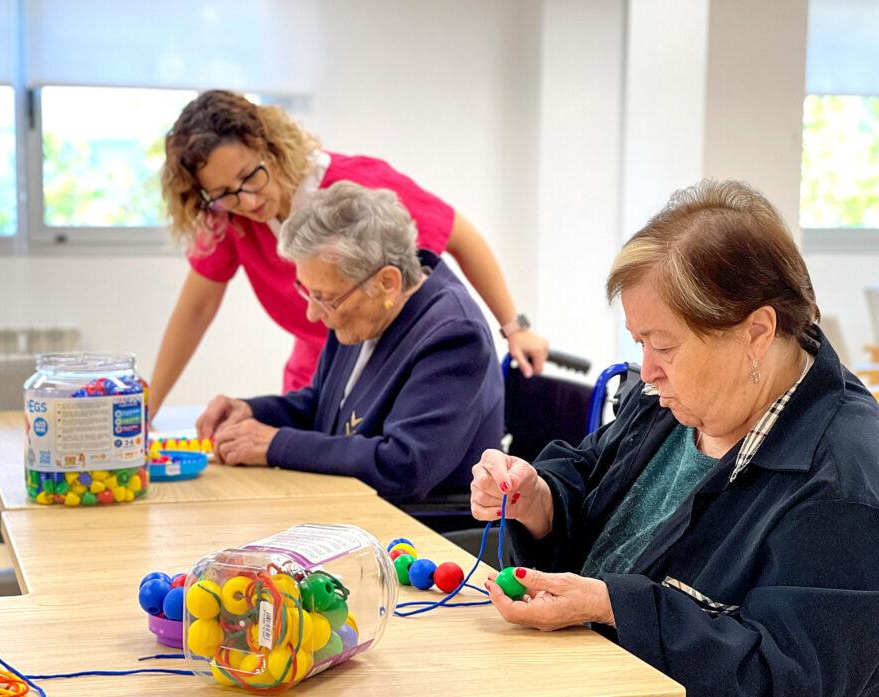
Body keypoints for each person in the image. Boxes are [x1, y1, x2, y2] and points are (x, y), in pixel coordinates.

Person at [470, 180, 879, 696]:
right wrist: (540, 499)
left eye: (663, 346)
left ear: (756, 333)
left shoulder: (842, 480)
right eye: (639, 342)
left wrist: (614, 606)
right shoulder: (674, 399)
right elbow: (591, 473)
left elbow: (790, 676)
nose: (647, 370)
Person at [152, 90, 546, 418]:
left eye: (249, 176)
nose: (248, 201)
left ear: (267, 147)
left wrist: (514, 327)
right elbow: (196, 309)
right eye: (224, 194)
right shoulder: (229, 218)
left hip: (384, 362)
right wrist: (149, 409)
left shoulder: (355, 188)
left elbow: (460, 236)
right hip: (317, 370)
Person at [195, 181, 504, 503]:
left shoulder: (455, 335)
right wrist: (251, 412)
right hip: (355, 504)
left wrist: (275, 444)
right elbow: (324, 407)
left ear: (387, 282)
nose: (313, 313)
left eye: (324, 297)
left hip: (421, 523)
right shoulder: (362, 303)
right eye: (308, 293)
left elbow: (403, 466)